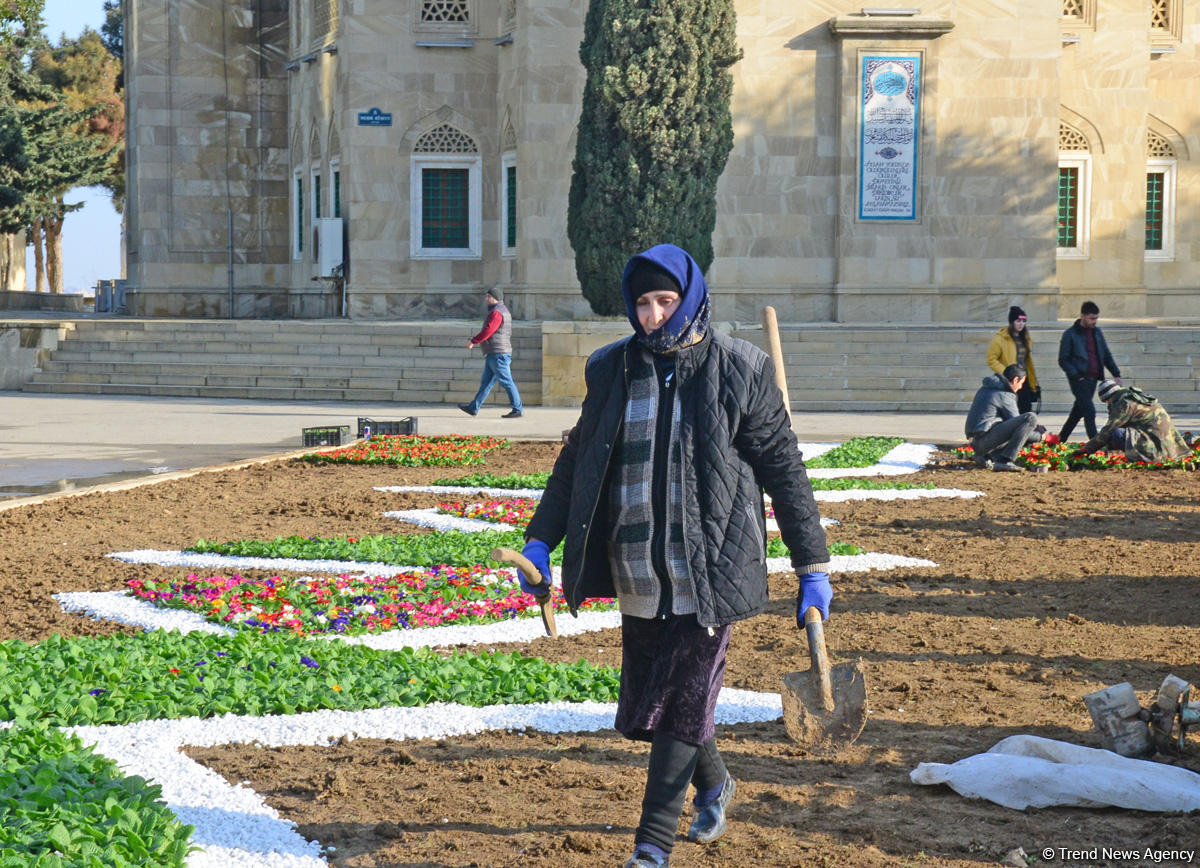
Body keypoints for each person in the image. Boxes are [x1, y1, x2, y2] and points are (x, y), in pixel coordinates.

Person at [519, 244, 831, 868]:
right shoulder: (612, 369)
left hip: (710, 571)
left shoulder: (739, 369)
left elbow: (786, 473)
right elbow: (577, 460)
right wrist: (540, 539)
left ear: (689, 298)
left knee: (685, 704)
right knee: (649, 711)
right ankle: (714, 782)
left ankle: (651, 847)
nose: (653, 315)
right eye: (642, 302)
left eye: (666, 301)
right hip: (637, 567)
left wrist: (813, 566)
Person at [965, 364, 1057, 471]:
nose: (1021, 387)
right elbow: (1021, 429)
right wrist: (1044, 437)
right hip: (985, 442)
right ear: (1015, 380)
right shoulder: (1005, 394)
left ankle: (986, 456)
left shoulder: (987, 388)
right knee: (1030, 418)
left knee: (1025, 427)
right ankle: (1005, 461)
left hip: (976, 441)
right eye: (1021, 383)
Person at [1077, 379, 1191, 464]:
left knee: (1117, 433)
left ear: (1109, 397)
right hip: (1170, 446)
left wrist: (1087, 449)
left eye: (1106, 401)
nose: (1107, 404)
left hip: (1155, 448)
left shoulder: (1124, 403)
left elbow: (1108, 430)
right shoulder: (1133, 396)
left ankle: (1126, 454)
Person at [1057, 301, 1121, 442]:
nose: (1094, 321)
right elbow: (1063, 359)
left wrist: (1116, 373)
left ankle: (1059, 440)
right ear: (1082, 316)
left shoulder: (1097, 332)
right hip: (1079, 380)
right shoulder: (1070, 334)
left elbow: (1105, 354)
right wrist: (1076, 375)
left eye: (1096, 318)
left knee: (1078, 412)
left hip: (1093, 379)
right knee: (1089, 412)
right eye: (1092, 318)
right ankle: (1095, 443)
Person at [458, 287, 523, 418]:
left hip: (498, 353)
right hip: (495, 352)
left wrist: (474, 341)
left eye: (489, 297)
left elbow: (489, 330)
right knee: (486, 382)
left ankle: (517, 409)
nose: (486, 299)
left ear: (496, 298)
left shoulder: (497, 313)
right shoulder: (500, 311)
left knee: (506, 381)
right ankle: (473, 407)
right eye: (486, 296)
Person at [986, 305, 1040, 414]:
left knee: (1026, 410)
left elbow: (1027, 362)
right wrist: (1006, 372)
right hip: (1010, 380)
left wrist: (1033, 382)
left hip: (1024, 379)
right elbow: (991, 359)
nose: (1021, 324)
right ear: (1012, 322)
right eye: (1018, 321)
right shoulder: (1001, 338)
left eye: (1024, 321)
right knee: (1011, 411)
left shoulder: (1025, 338)